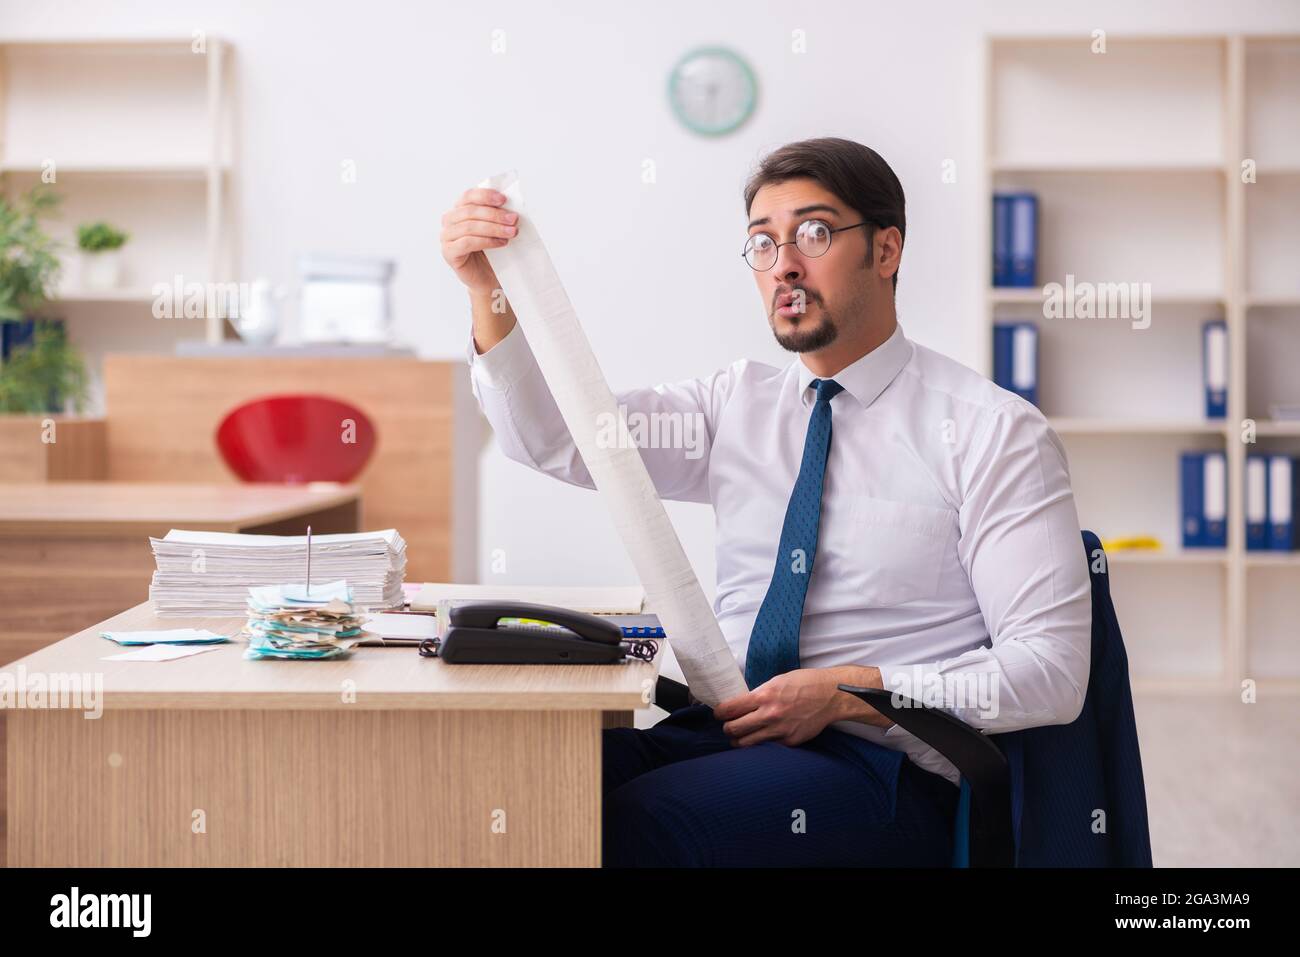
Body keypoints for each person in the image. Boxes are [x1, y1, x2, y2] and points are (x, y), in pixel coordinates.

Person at [439, 137, 1092, 866]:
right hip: (734, 729)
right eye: (762, 242)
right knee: (517, 785)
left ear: (886, 250)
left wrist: (847, 691)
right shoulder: (733, 406)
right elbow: (556, 438)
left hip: (887, 766)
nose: (784, 262)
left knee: (635, 825)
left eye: (813, 233)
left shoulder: (991, 432)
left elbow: (1051, 673)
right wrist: (488, 292)